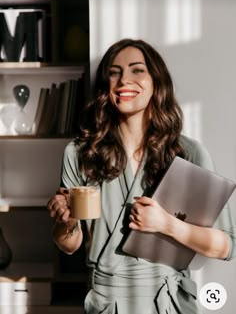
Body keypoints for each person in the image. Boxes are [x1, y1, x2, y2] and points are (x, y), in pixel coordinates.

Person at [47, 39, 236, 314]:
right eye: (114, 72)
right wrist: (68, 222)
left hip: (168, 304)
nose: (124, 80)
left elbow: (225, 245)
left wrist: (167, 224)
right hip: (106, 303)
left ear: (156, 82)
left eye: (137, 70)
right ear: (105, 87)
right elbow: (69, 246)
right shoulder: (79, 153)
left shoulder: (187, 152)